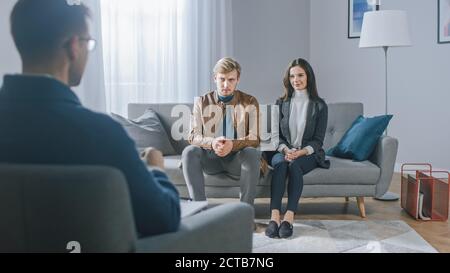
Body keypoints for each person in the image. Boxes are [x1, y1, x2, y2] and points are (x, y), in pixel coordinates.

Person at [0, 0, 180, 238]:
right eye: (88, 43)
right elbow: (162, 218)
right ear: (74, 46)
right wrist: (156, 170)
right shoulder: (102, 134)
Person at [264, 58, 330, 238]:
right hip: (282, 150)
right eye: (292, 76)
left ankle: (289, 217)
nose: (296, 80)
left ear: (309, 76)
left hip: (307, 153)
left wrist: (299, 152)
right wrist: (286, 150)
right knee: (281, 164)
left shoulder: (320, 105)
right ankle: (275, 217)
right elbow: (276, 135)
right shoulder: (281, 102)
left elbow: (317, 141)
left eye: (300, 75)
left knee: (294, 165)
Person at [182, 57, 261, 205]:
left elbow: (255, 137)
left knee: (252, 152)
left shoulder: (249, 101)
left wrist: (232, 144)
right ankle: (199, 209)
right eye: (222, 79)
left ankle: (245, 211)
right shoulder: (201, 101)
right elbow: (193, 136)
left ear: (238, 79)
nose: (226, 84)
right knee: (189, 151)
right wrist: (212, 143)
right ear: (214, 78)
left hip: (236, 160)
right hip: (211, 159)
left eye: (231, 80)